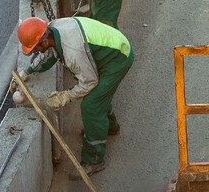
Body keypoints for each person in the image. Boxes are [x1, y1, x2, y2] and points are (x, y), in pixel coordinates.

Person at [16, 16, 134, 178]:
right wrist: (28, 71)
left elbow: (89, 82)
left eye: (35, 49)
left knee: (91, 106)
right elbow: (50, 56)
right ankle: (110, 127)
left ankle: (94, 160)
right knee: (98, 98)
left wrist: (65, 96)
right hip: (110, 46)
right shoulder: (53, 29)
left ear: (43, 41)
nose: (35, 52)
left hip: (117, 58)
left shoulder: (72, 51)